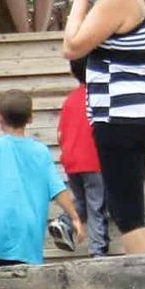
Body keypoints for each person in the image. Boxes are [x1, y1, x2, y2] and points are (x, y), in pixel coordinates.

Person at [62, 0, 145, 256]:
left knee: (126, 214)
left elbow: (72, 46)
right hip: (132, 114)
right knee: (131, 211)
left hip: (122, 116)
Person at [0, 89, 83, 267]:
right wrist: (74, 216)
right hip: (30, 237)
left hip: (0, 237)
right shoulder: (41, 152)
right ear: (30, 118)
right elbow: (57, 189)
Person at [54, 58, 110, 258]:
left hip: (72, 162)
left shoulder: (70, 100)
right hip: (94, 161)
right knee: (97, 206)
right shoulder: (101, 96)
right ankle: (98, 251)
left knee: (82, 201)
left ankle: (64, 222)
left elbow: (60, 134)